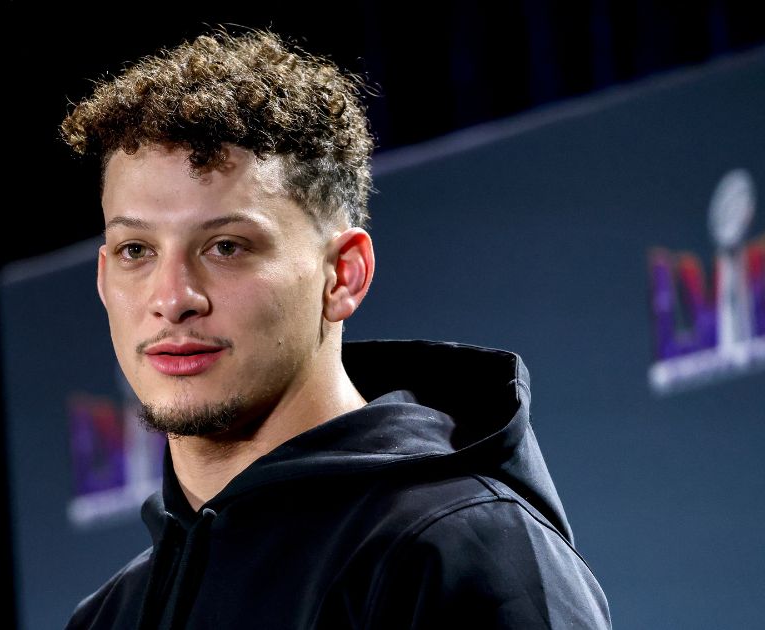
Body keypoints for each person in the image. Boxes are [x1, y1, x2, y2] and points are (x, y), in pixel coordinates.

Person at [59, 26, 610, 629]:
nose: (172, 298)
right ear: (105, 276)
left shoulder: (464, 549)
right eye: (137, 250)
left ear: (343, 275)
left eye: (225, 246)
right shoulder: (107, 618)